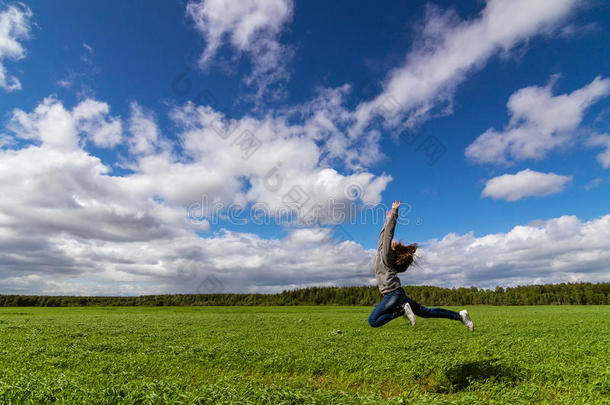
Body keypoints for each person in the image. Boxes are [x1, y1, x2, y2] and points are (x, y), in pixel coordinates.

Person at [367, 200, 474, 331]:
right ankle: (460, 316)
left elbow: (388, 234)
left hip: (393, 294)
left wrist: (394, 213)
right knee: (425, 312)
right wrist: (387, 219)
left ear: (393, 251)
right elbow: (384, 234)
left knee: (373, 321)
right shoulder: (381, 251)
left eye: (393, 243)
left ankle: (402, 311)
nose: (393, 241)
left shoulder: (386, 256)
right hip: (396, 294)